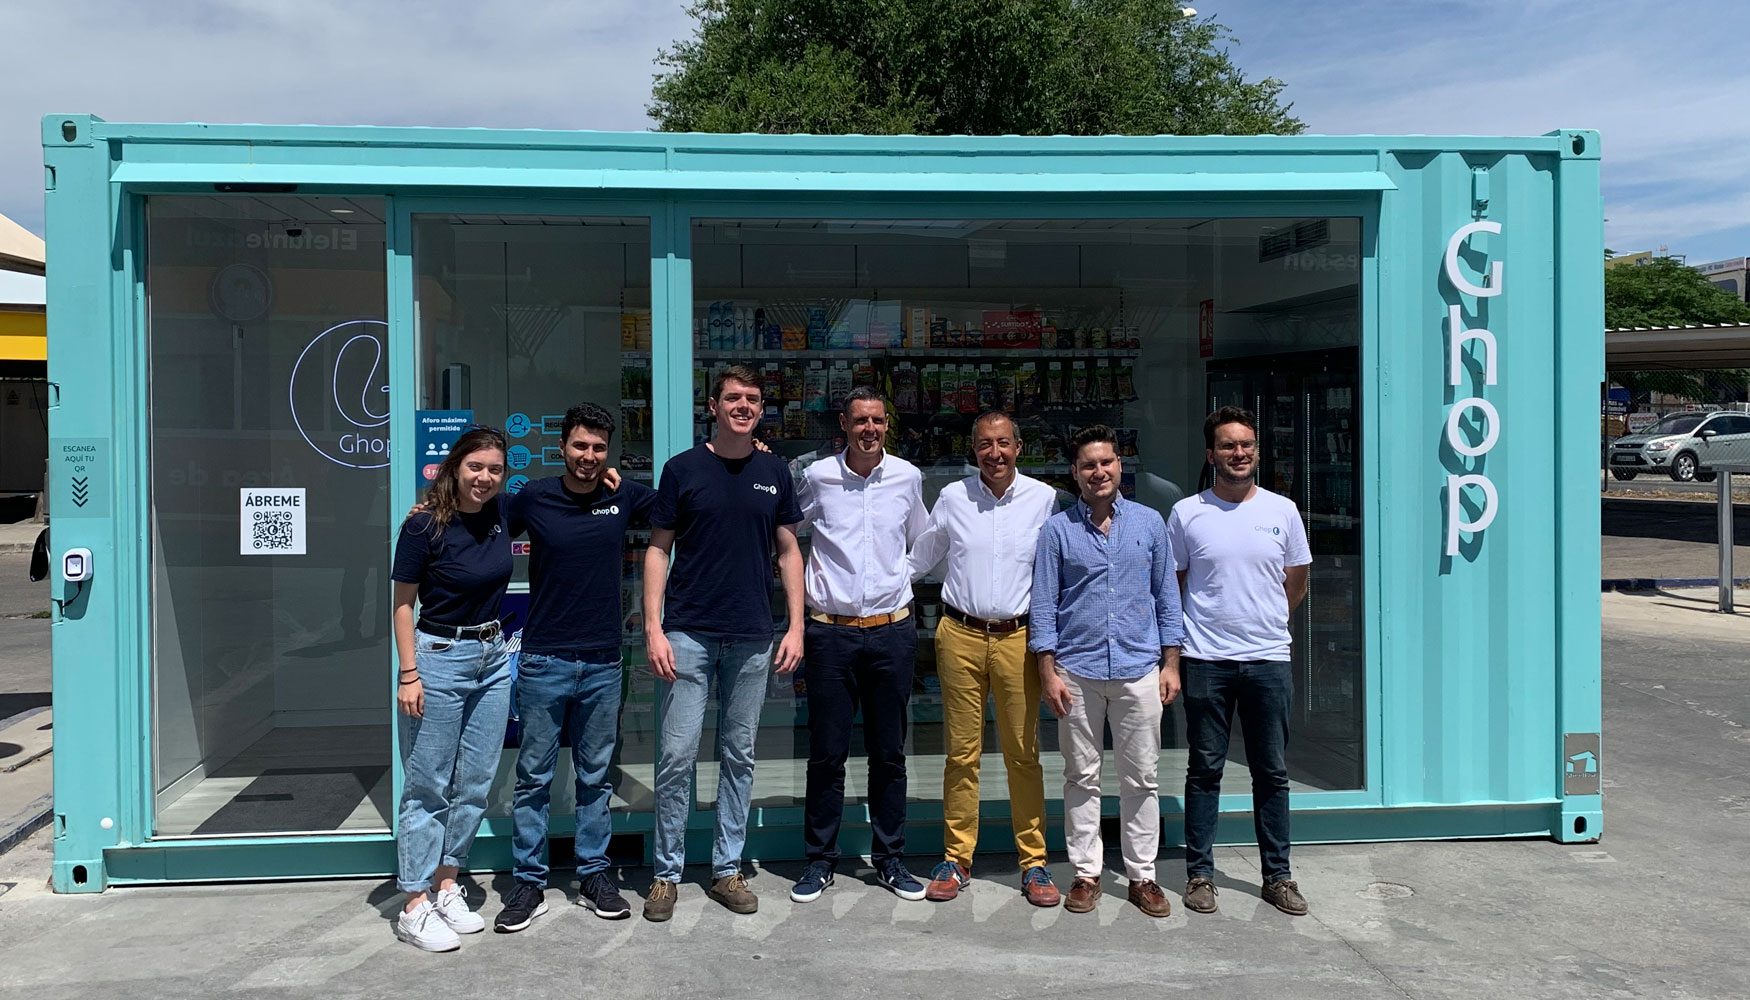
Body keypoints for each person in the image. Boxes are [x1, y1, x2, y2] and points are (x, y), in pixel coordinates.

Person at [641, 365, 805, 921]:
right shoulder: (682, 469)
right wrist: (654, 628)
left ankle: (726, 869)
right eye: (733, 397)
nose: (743, 406)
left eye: (752, 398)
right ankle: (666, 875)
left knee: (740, 754)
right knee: (676, 755)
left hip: (753, 634)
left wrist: (796, 626)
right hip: (688, 632)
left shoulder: (774, 471)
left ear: (761, 408)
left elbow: (789, 551)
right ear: (712, 406)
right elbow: (658, 549)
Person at [493, 403, 655, 931]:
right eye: (580, 445)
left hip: (605, 661)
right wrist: (428, 511)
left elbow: (685, 506)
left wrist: (755, 451)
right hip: (544, 660)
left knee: (595, 777)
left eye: (598, 447)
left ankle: (593, 876)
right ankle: (528, 883)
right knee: (533, 778)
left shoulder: (622, 496)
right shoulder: (536, 497)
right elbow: (477, 513)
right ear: (562, 446)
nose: (589, 456)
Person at [907, 411, 1062, 907]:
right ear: (972, 450)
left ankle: (1034, 862)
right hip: (960, 634)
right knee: (961, 754)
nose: (994, 454)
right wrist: (871, 588)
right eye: (984, 445)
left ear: (1019, 447)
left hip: (1019, 638)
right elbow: (922, 557)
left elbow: (1056, 571)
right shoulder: (954, 497)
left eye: (1003, 443)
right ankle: (956, 858)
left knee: (1023, 753)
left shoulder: (1044, 498)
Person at [1032, 424, 1183, 917]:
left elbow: (1167, 597)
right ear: (1074, 473)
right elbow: (1044, 605)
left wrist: (1171, 663)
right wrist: (1048, 671)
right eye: (1088, 465)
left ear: (1120, 465)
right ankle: (1086, 873)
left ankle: (1142, 876)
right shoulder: (1057, 531)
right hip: (1077, 671)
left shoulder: (1149, 523)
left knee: (1142, 778)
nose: (1099, 472)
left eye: (1106, 462)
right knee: (1081, 777)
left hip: (1139, 669)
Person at [1168, 406, 1312, 917]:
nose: (1239, 453)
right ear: (1211, 455)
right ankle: (1200, 875)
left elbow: (1296, 583)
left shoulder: (1283, 511)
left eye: (1246, 444)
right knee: (1204, 770)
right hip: (1206, 659)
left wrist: (1262, 621)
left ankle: (1278, 876)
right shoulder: (1187, 513)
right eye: (1228, 445)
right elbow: (1174, 587)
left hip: (1268, 660)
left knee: (1271, 772)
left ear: (1256, 451)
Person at [789, 387, 929, 904]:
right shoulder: (818, 477)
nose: (870, 429)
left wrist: (900, 578)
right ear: (844, 426)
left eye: (878, 421)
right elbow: (787, 532)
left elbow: (924, 539)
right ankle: (820, 861)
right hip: (830, 633)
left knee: (889, 753)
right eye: (860, 421)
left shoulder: (907, 477)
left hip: (892, 631)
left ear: (887, 425)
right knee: (826, 754)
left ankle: (889, 859)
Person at [389, 427, 514, 952]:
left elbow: (567, 493)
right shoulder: (423, 526)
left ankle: (446, 884)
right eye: (475, 467)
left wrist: (610, 475)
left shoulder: (502, 513)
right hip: (438, 658)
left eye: (494, 469)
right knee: (428, 784)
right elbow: (402, 605)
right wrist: (408, 674)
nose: (484, 477)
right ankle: (413, 903)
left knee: (476, 782)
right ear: (455, 467)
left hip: (493, 658)